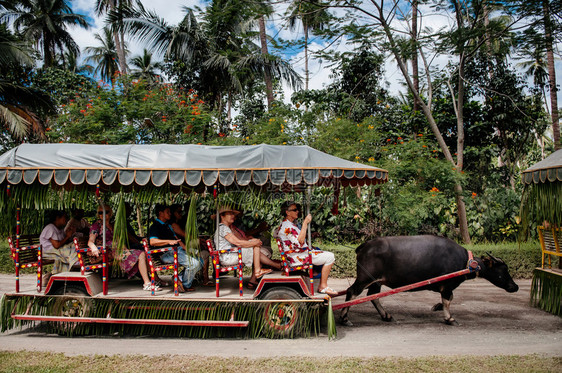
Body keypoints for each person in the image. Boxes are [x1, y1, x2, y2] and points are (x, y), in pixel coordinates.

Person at [88, 205, 158, 292]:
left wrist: (126, 250)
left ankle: (153, 280)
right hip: (108, 252)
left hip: (119, 250)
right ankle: (147, 283)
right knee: (141, 254)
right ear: (98, 215)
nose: (103, 214)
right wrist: (94, 248)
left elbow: (119, 240)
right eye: (100, 212)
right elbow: (90, 241)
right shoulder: (96, 226)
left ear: (110, 213)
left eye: (106, 212)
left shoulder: (113, 225)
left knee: (143, 253)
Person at [277, 201, 337, 296]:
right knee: (330, 256)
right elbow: (300, 242)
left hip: (298, 254)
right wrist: (305, 223)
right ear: (287, 212)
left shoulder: (288, 224)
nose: (297, 211)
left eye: (297, 209)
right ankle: (323, 286)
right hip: (298, 257)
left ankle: (318, 280)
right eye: (294, 210)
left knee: (323, 252)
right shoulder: (287, 227)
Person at [148, 204, 203, 292]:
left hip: (178, 250)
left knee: (200, 261)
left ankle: (178, 278)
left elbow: (177, 240)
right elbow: (152, 241)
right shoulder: (155, 226)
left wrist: (187, 249)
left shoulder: (168, 225)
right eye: (168, 212)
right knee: (194, 264)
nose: (170, 214)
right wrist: (168, 241)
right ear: (160, 213)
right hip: (167, 254)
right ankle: (184, 284)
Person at [214, 206, 272, 289]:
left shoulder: (225, 228)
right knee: (255, 244)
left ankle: (257, 273)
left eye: (233, 214)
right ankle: (258, 271)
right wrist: (253, 242)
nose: (233, 216)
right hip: (227, 257)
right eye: (230, 214)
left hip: (230, 254)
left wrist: (253, 242)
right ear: (222, 216)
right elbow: (237, 242)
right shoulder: (223, 228)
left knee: (255, 244)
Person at [39, 210, 79, 284]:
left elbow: (63, 242)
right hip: (49, 251)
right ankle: (74, 262)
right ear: (58, 218)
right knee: (71, 249)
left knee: (74, 244)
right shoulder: (50, 228)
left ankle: (55, 276)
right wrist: (67, 236)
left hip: (56, 251)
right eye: (65, 217)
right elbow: (57, 245)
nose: (67, 219)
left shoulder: (59, 229)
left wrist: (70, 234)